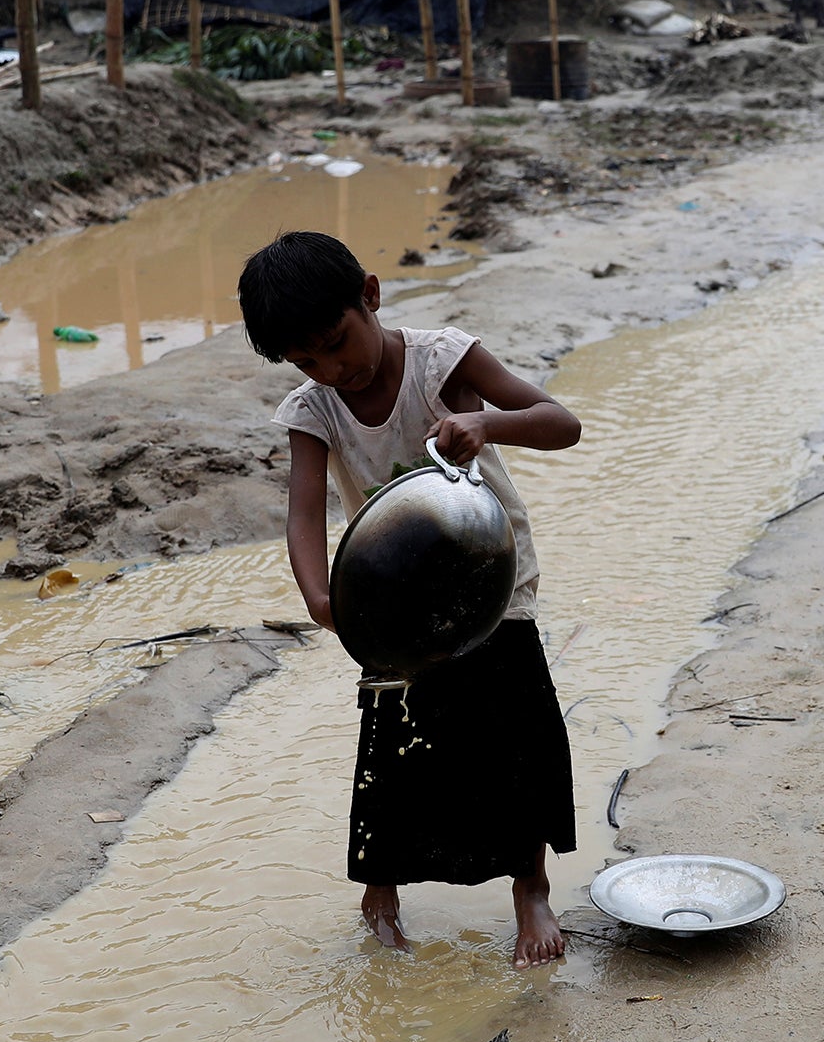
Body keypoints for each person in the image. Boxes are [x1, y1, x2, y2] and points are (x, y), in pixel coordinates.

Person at [239, 231, 582, 970]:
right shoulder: (315, 409)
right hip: (394, 600)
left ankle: (530, 888)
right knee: (390, 748)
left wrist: (488, 423)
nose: (334, 370)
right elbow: (302, 514)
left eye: (337, 344)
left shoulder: (443, 359)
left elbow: (563, 424)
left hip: (490, 580)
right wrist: (319, 596)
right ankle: (380, 891)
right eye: (307, 362)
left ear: (370, 294)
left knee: (513, 737)